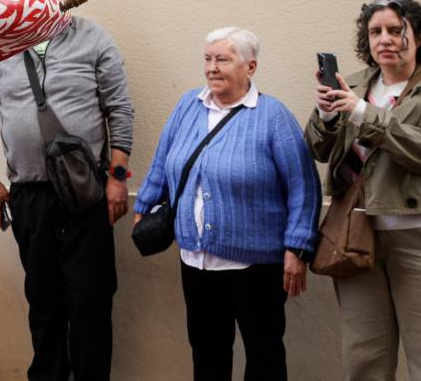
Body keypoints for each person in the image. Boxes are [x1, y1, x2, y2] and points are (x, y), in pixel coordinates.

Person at [0, 0, 134, 381]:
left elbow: (119, 110)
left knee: (91, 301)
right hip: (28, 194)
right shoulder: (3, 45)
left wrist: (117, 181)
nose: (40, 2)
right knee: (43, 301)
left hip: (87, 194)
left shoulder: (93, 39)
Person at [133, 27, 320, 381]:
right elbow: (163, 163)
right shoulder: (188, 105)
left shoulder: (273, 116)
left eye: (223, 59)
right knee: (207, 354)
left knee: (263, 356)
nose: (212, 68)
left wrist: (297, 248)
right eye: (208, 59)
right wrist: (144, 204)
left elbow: (303, 186)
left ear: (250, 67)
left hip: (256, 265)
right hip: (196, 261)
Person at [306, 0, 421, 381]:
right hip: (357, 241)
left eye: (396, 30)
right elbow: (319, 148)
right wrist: (328, 114)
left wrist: (363, 114)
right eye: (375, 31)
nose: (385, 39)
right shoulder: (356, 84)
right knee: (365, 360)